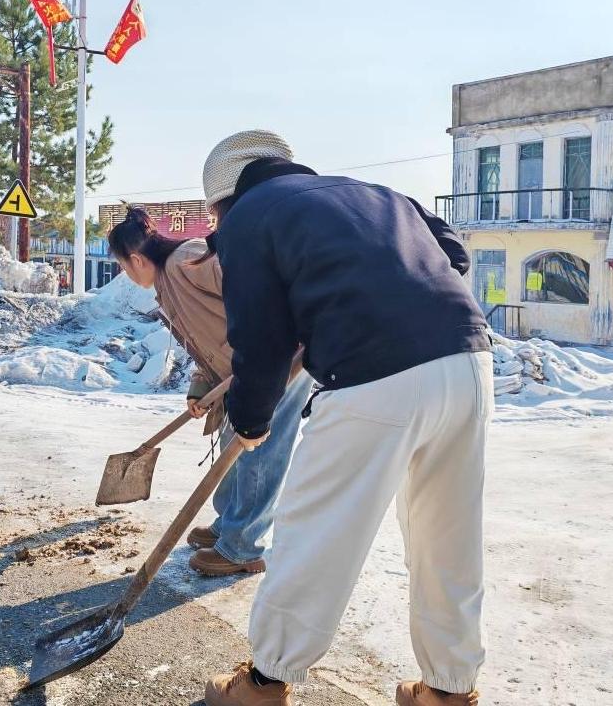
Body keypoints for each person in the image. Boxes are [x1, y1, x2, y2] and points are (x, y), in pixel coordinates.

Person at [199, 132, 493, 706]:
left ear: (223, 201)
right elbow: (451, 254)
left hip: (374, 376)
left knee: (316, 533)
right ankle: (448, 691)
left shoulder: (251, 218)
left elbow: (259, 337)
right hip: (467, 360)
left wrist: (251, 420)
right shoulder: (374, 193)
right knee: (448, 536)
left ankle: (263, 685)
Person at [107, 207, 314, 577]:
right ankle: (228, 526)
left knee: (259, 450)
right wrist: (201, 387)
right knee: (232, 442)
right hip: (242, 371)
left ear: (135, 259)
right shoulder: (167, 284)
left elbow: (257, 287)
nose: (126, 274)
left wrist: (276, 342)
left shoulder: (189, 260)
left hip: (278, 362)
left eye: (122, 266)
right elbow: (205, 341)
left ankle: (242, 547)